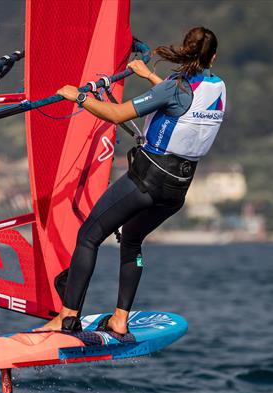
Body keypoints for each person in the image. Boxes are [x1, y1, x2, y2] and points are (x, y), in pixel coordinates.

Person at [38, 27, 226, 334]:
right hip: (178, 189)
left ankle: (67, 316)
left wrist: (80, 97)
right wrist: (150, 79)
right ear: (213, 58)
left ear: (185, 50)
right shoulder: (217, 87)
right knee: (132, 239)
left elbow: (116, 115)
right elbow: (182, 104)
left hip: (148, 179)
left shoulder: (173, 88)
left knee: (88, 236)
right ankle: (120, 319)